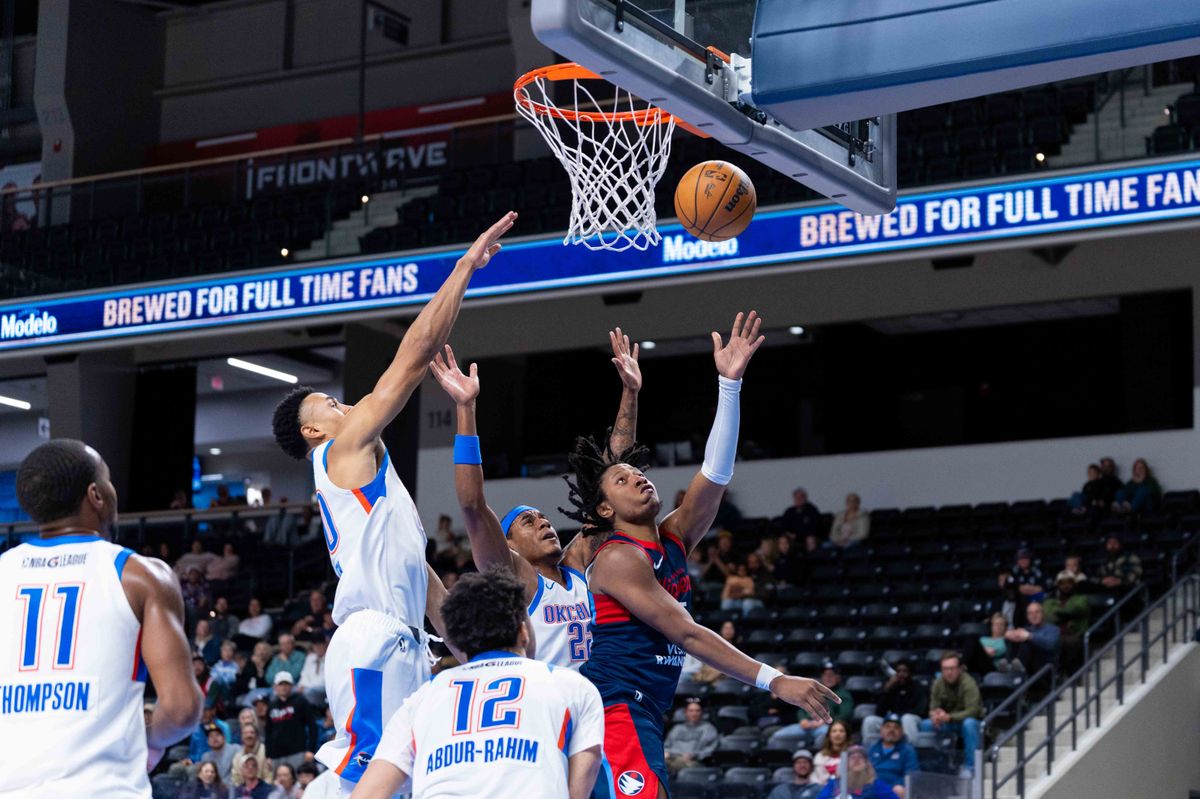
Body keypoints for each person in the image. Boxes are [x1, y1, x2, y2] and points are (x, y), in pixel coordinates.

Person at [272, 213, 515, 795]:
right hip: (374, 636)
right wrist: (463, 269)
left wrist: (474, 652)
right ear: (313, 432)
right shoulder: (341, 448)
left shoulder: (372, 487)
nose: (344, 405)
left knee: (396, 780)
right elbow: (414, 354)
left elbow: (427, 583)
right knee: (360, 776)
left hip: (400, 638)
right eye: (329, 402)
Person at [560, 312, 839, 799]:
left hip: (643, 708)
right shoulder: (615, 558)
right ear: (604, 508)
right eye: (622, 480)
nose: (638, 478)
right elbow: (686, 632)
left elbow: (716, 474)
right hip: (613, 707)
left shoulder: (672, 538)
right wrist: (775, 681)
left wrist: (728, 386)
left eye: (639, 473)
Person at [429, 327, 646, 668]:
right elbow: (472, 505)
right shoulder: (519, 579)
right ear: (509, 544)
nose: (543, 521)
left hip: (601, 703)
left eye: (543, 517)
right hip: (550, 707)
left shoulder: (577, 564)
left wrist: (630, 392)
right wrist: (466, 409)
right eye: (527, 521)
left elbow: (614, 476)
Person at [0, 439, 203, 796]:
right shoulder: (140, 576)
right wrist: (151, 741)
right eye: (108, 482)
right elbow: (182, 708)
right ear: (96, 495)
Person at [350, 567, 604, 799]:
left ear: (458, 640)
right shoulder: (573, 687)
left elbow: (368, 794)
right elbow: (579, 787)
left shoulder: (422, 698)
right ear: (523, 631)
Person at [919, 652, 983, 778]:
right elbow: (932, 708)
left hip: (969, 722)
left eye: (952, 668)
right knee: (925, 724)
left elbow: (973, 711)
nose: (949, 672)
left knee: (969, 724)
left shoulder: (968, 683)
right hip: (947, 721)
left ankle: (971, 767)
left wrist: (950, 717)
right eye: (945, 669)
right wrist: (935, 715)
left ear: (959, 669)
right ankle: (932, 765)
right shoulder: (938, 682)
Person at [776, 662, 855, 748]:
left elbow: (845, 714)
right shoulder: (813, 691)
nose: (828, 677)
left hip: (827, 726)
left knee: (824, 737)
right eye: (825, 674)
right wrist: (803, 720)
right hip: (806, 725)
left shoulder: (843, 694)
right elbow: (801, 709)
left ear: (838, 677)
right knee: (777, 736)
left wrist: (825, 721)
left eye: (831, 675)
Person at [861, 660, 925, 743]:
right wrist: (887, 690)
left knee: (907, 719)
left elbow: (920, 710)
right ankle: (871, 751)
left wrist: (898, 716)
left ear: (910, 673)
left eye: (904, 671)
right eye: (898, 671)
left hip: (910, 720)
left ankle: (909, 750)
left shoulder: (917, 687)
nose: (901, 674)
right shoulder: (892, 688)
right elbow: (879, 712)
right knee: (870, 720)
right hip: (892, 720)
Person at [266, 671, 318, 772]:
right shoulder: (271, 705)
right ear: (275, 687)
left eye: (287, 684)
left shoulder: (301, 701)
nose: (284, 687)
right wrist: (268, 755)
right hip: (276, 755)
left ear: (292, 686)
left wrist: (311, 750)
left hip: (297, 752)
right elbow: (268, 732)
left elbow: (312, 726)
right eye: (281, 684)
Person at [1043, 571, 1090, 672]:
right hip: (1055, 635)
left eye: (1069, 582)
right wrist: (1067, 614)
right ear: (1058, 585)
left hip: (1074, 634)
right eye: (1062, 583)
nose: (1066, 586)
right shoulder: (1050, 601)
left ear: (1074, 584)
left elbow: (1077, 609)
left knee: (1069, 643)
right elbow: (1048, 616)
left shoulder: (1081, 598)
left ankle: (1071, 675)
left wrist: (1059, 613)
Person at [866, 715, 920, 797]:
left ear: (902, 732)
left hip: (893, 789)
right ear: (881, 730)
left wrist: (893, 786)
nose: (891, 730)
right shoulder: (872, 748)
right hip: (873, 787)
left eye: (896, 727)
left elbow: (912, 774)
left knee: (899, 790)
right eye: (887, 727)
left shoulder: (907, 750)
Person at [663, 700, 720, 776]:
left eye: (697, 711)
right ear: (685, 713)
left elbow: (711, 749)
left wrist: (694, 755)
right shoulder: (677, 729)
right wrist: (667, 753)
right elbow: (666, 746)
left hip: (694, 762)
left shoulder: (709, 728)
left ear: (702, 713)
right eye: (691, 711)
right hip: (673, 759)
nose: (694, 713)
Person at [816, 746, 897, 799]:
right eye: (852, 757)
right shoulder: (834, 784)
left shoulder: (876, 785)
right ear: (846, 763)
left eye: (860, 757)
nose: (856, 760)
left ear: (866, 763)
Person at [1004, 602, 1060, 675]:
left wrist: (1029, 636)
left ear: (1043, 613)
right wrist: (1008, 635)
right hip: (1028, 666)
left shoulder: (1053, 629)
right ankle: (1010, 665)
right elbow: (1012, 635)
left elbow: (1050, 645)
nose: (1034, 615)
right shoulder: (1026, 629)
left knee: (1026, 642)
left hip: (1044, 667)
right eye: (1030, 613)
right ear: (1027, 616)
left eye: (1037, 612)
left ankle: (1018, 667)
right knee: (1013, 640)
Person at [812, 720, 852, 785]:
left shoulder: (853, 754)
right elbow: (816, 779)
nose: (838, 734)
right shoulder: (819, 756)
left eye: (841, 731)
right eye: (834, 731)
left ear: (847, 735)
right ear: (829, 735)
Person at [298, 635, 328, 706]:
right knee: (290, 691)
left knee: (308, 692)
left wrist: (305, 687)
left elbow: (323, 680)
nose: (318, 648)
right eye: (315, 645)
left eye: (320, 645)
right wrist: (302, 685)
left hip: (322, 689)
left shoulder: (330, 657)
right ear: (313, 647)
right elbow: (304, 674)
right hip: (308, 687)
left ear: (325, 645)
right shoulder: (310, 658)